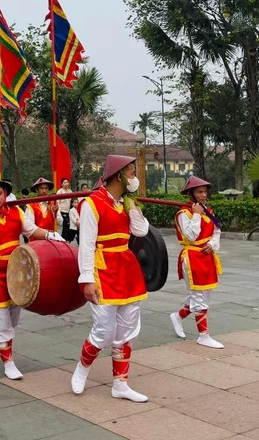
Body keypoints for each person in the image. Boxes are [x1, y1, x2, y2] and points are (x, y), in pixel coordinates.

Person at [0, 178, 66, 380]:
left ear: (5, 194)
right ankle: (8, 363)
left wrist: (50, 235)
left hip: (16, 271)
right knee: (0, 318)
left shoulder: (16, 212)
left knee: (11, 319)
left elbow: (31, 231)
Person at [71, 155, 150, 402]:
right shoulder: (92, 204)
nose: (134, 178)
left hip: (126, 267)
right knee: (104, 330)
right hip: (102, 269)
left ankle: (120, 384)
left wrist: (132, 205)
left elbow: (142, 230)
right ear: (119, 175)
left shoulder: (124, 203)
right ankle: (82, 369)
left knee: (128, 330)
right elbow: (85, 245)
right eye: (131, 173)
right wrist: (86, 279)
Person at [169, 176, 224, 349]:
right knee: (199, 297)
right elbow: (191, 235)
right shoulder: (183, 214)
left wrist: (212, 244)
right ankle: (203, 335)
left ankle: (178, 317)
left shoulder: (209, 211)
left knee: (204, 295)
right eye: (199, 192)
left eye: (205, 192)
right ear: (191, 194)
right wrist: (196, 215)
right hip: (192, 258)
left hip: (207, 256)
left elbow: (217, 231)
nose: (203, 195)